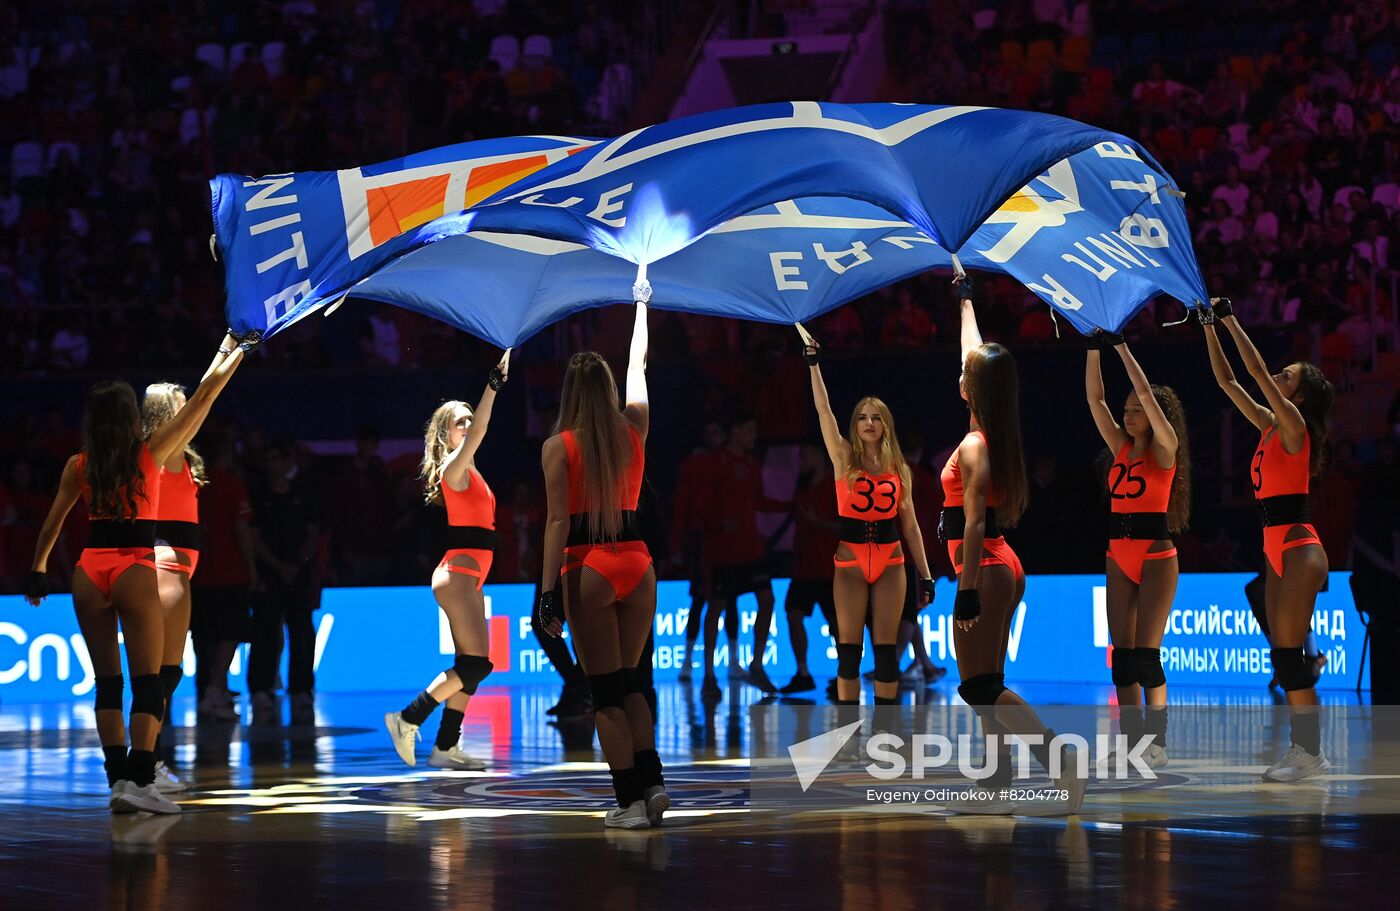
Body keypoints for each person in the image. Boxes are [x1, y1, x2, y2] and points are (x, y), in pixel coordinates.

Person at [25, 336, 244, 814]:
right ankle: (141, 780)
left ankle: (116, 779)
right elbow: (205, 395)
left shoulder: (77, 465)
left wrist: (38, 573)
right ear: (130, 417)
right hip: (134, 567)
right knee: (149, 681)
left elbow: (50, 527)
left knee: (108, 683)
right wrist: (236, 349)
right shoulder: (149, 454)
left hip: (89, 570)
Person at [943, 277, 1085, 814]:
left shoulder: (976, 446)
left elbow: (975, 523)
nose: (959, 373)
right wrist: (964, 297)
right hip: (1000, 565)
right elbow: (971, 351)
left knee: (978, 688)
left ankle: (1059, 761)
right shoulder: (988, 428)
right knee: (990, 682)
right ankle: (1000, 777)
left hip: (986, 568)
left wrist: (967, 589)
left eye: (965, 374)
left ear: (973, 388)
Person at [537, 288, 667, 829]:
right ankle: (654, 784)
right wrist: (641, 305)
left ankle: (629, 802)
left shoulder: (559, 444)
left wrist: (547, 594)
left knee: (605, 695)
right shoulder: (633, 429)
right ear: (608, 388)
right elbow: (638, 362)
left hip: (587, 564)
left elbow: (558, 523)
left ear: (569, 392)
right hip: (638, 563)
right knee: (634, 684)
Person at [1201, 296, 1334, 781]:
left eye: (1287, 376)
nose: (1277, 377)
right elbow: (1228, 381)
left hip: (1299, 546)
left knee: (1288, 654)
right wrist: (1209, 327)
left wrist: (1232, 317)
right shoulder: (1269, 426)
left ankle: (1310, 752)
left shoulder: (1295, 425)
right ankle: (1307, 751)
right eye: (1281, 373)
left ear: (1299, 398)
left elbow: (1254, 370)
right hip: (1276, 545)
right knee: (1283, 653)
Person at [799, 329, 935, 705]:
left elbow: (911, 526)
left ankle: (885, 739)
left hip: (892, 559)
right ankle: (848, 737)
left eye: (876, 417)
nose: (869, 423)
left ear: (885, 424)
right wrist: (814, 366)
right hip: (850, 560)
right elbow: (823, 411)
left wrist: (925, 575)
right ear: (855, 425)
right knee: (848, 652)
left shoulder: (898, 467)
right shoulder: (843, 457)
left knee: (887, 652)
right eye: (862, 417)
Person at [386, 355, 508, 770]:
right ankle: (407, 718)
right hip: (457, 576)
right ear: (445, 433)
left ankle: (444, 747)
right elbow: (484, 432)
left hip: (466, 578)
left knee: (468, 668)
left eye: (470, 418)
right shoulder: (453, 468)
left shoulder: (470, 470)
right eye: (461, 421)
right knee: (477, 664)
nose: (469, 425)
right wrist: (492, 386)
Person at [1084, 331, 1191, 769]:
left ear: (1153, 414)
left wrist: (1123, 347)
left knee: (1147, 656)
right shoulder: (1120, 448)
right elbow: (1095, 401)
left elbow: (1145, 391)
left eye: (1136, 411)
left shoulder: (1165, 450)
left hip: (1155, 557)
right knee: (1122, 657)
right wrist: (1093, 349)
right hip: (1117, 555)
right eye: (1125, 410)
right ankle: (1130, 739)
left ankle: (1157, 742)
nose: (1128, 416)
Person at [141, 381, 214, 792]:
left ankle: (149, 761)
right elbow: (202, 408)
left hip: (174, 569)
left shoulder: (177, 454)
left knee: (164, 674)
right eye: (182, 406)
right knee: (161, 674)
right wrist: (229, 355)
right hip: (166, 568)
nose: (191, 412)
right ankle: (146, 763)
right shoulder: (162, 448)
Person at [700, 411, 789, 698]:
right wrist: (717, 523)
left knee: (767, 599)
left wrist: (790, 505)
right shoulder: (715, 463)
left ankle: (756, 664)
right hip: (723, 552)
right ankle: (709, 675)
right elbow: (701, 506)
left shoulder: (752, 463)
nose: (753, 436)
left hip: (751, 548)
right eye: (749, 430)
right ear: (735, 431)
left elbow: (759, 500)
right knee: (715, 607)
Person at [247, 440, 322, 725]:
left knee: (302, 631)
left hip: (298, 575)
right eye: (268, 459)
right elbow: (252, 536)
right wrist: (277, 566)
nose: (272, 465)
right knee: (265, 632)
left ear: (287, 461)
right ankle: (260, 689)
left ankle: (302, 688)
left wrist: (297, 566)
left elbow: (314, 533)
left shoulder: (304, 493)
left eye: (277, 458)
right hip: (269, 574)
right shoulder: (258, 494)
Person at [189, 431, 257, 723]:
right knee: (230, 634)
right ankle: (214, 691)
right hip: (230, 572)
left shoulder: (193, 486)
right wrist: (251, 567)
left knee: (204, 637)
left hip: (198, 572)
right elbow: (242, 529)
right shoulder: (231, 484)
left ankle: (209, 691)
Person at [669, 420, 738, 682]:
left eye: (717, 430)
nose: (713, 435)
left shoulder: (733, 463)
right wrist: (677, 545)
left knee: (729, 599)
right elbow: (682, 505)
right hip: (702, 543)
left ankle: (733, 661)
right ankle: (688, 661)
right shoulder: (693, 465)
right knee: (699, 601)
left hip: (728, 542)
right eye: (709, 430)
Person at [780, 443, 841, 694]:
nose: (801, 463)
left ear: (818, 458)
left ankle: (844, 675)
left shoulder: (833, 487)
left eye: (805, 457)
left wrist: (817, 523)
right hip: (804, 569)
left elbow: (845, 526)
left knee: (838, 625)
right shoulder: (801, 490)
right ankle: (803, 672)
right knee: (793, 614)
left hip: (829, 569)